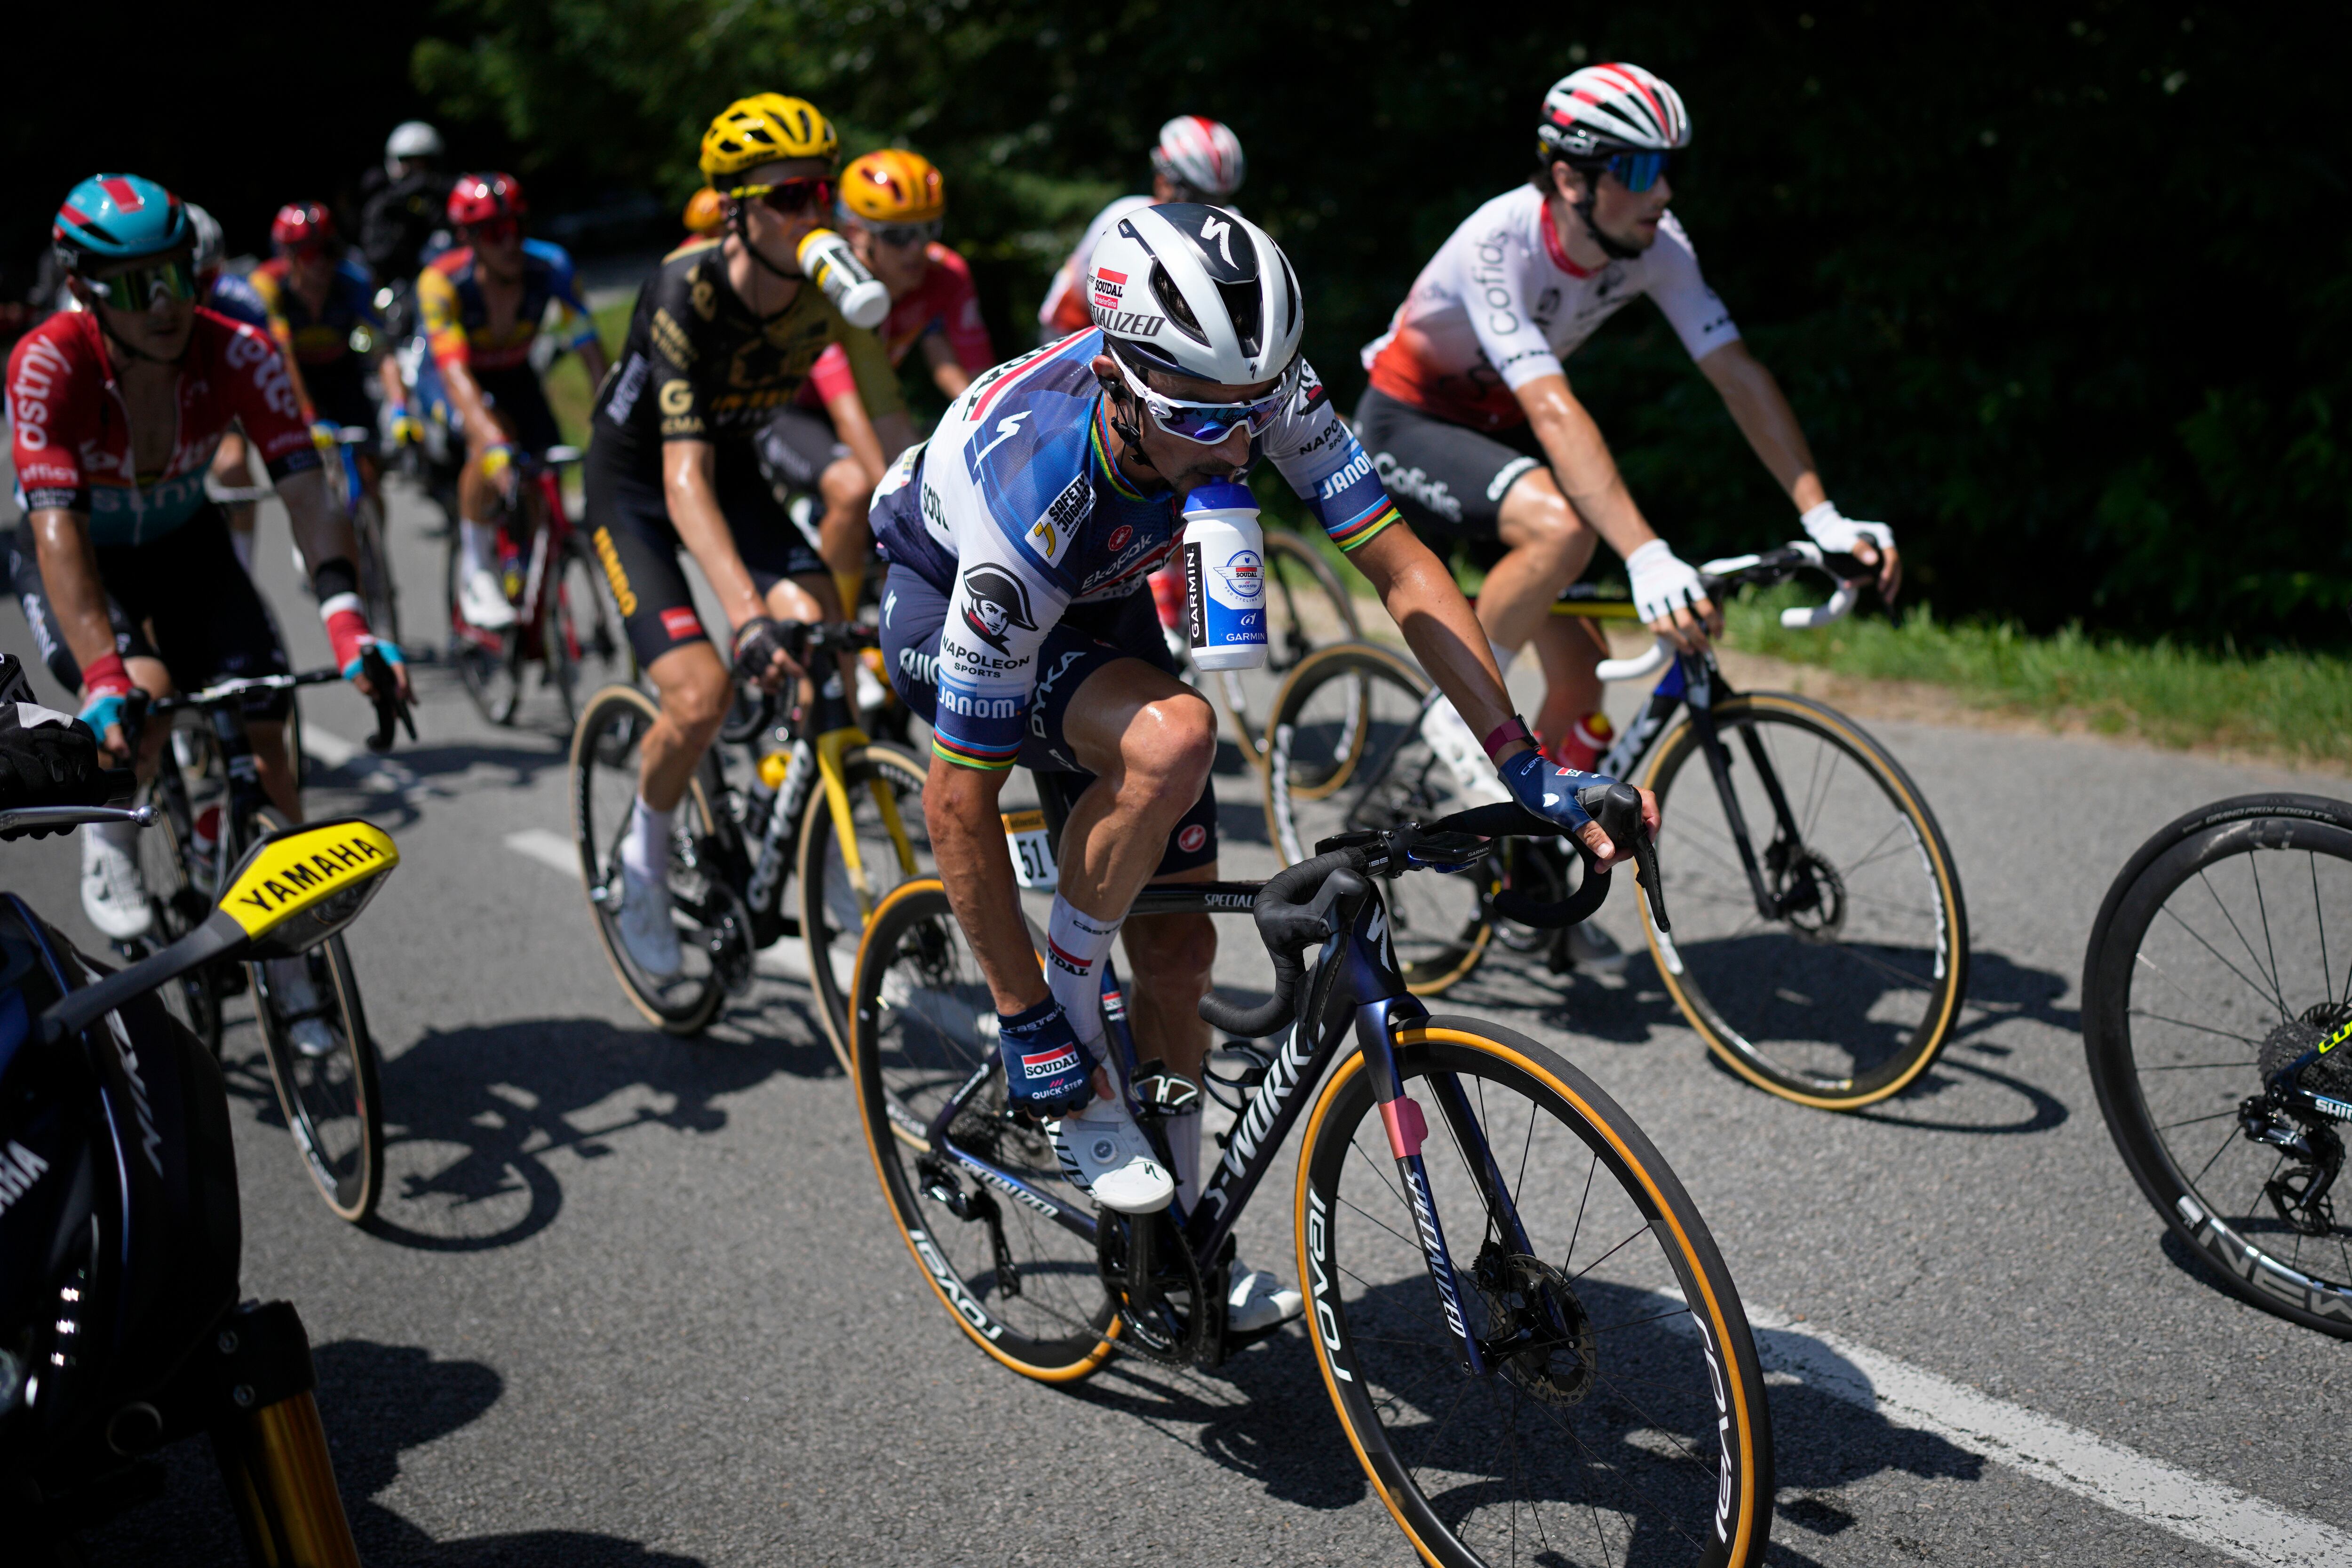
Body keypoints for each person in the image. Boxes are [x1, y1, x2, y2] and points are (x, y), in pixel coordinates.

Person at [869, 201, 1657, 1332]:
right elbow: (958, 800)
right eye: (1203, 418)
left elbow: (1402, 568)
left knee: (1183, 954)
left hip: (1091, 600)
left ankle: (1178, 1246)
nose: (1240, 446)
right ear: (1124, 385)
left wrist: (1518, 760)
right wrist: (1025, 1011)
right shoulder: (1033, 486)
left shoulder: (1253, 391)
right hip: (950, 587)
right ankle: (1066, 1017)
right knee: (1172, 737)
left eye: (1256, 411)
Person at [1356, 61, 1899, 775]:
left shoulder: (1657, 244)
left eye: (1671, 167)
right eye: (1641, 169)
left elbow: (1737, 375)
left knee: (1582, 682)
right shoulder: (1499, 243)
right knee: (1562, 527)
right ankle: (1454, 719)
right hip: (1410, 419)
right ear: (1572, 178)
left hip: (1499, 429)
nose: (1665, 191)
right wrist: (1646, 556)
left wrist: (1822, 517)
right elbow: (1553, 409)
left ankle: (1515, 851)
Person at [6, 174, 408, 1035]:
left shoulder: (238, 349)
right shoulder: (49, 360)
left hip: (187, 545)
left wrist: (347, 619)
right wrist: (106, 673)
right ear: (82, 289)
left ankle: (295, 956)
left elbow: (305, 490)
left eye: (176, 275)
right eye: (132, 284)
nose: (163, 304)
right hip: (86, 558)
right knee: (141, 697)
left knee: (269, 728)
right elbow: (58, 533)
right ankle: (111, 832)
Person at [583, 94, 915, 977]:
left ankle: (818, 838)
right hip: (640, 487)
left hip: (732, 471)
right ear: (735, 207)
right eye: (792, 196)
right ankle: (643, 861)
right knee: (699, 697)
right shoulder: (683, 285)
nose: (816, 213)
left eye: (824, 191)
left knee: (828, 643)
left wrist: (955, 551)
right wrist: (742, 614)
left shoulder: (833, 285)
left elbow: (887, 430)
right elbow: (679, 478)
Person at [785, 147, 995, 612]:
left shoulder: (945, 275)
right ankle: (836, 631)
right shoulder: (832, 288)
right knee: (857, 487)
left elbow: (977, 384)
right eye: (899, 236)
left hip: (874, 401)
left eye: (927, 230)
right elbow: (848, 414)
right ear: (857, 235)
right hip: (793, 408)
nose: (917, 249)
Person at [415, 172, 607, 629]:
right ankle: (478, 570)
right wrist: (490, 438)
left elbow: (591, 353)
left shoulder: (551, 267)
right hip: (454, 379)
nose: (509, 243)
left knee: (548, 472)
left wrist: (613, 419)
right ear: (469, 239)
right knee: (491, 446)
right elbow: (456, 375)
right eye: (494, 233)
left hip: (516, 373)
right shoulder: (441, 282)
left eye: (517, 227)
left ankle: (529, 570)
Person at [250, 203, 407, 555]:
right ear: (288, 256)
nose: (321, 262)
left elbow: (382, 351)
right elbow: (283, 355)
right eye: (308, 253)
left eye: (328, 251)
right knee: (308, 472)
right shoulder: (267, 285)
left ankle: (375, 554)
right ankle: (309, 536)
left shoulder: (353, 281)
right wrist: (308, 418)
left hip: (341, 372)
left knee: (370, 474)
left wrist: (400, 408)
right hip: (294, 378)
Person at [1034, 116, 1245, 342]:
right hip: (1080, 335)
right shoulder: (1123, 220)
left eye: (1216, 201)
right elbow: (1075, 305)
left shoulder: (1235, 226)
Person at [185, 203, 271, 568]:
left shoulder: (241, 303)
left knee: (235, 468)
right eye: (187, 282)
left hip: (217, 403)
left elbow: (269, 371)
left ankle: (242, 567)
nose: (196, 295)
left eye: (208, 281)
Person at [359, 121, 455, 306]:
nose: (418, 173)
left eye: (424, 164)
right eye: (409, 164)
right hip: (400, 292)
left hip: (448, 286)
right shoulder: (384, 205)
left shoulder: (448, 198)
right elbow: (376, 256)